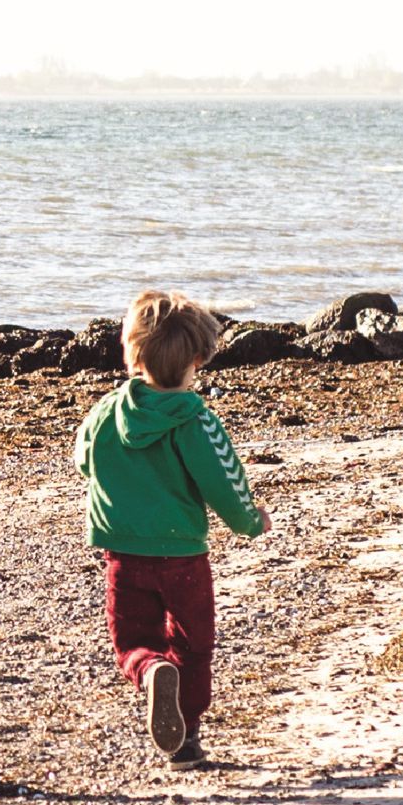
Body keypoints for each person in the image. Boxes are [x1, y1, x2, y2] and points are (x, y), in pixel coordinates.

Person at [74, 291, 270, 768]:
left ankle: (149, 670)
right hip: (183, 554)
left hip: (122, 554)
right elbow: (224, 481)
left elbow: (83, 461)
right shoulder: (195, 420)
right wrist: (249, 521)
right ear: (199, 359)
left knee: (132, 640)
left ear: (131, 353)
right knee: (193, 643)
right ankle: (186, 739)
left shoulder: (104, 414)